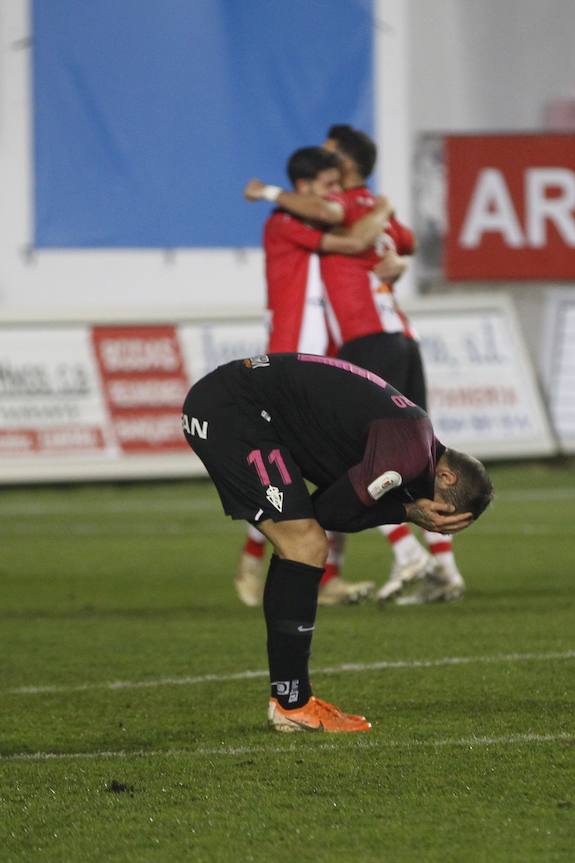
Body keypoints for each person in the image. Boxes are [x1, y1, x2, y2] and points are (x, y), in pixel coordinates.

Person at [181, 352, 494, 732]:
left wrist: (401, 509)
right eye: (441, 514)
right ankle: (292, 705)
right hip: (232, 410)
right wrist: (407, 513)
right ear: (446, 478)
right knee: (305, 543)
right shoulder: (408, 452)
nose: (433, 519)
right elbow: (330, 513)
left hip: (242, 405)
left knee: (302, 543)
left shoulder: (416, 439)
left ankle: (290, 700)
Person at [317, 123, 466, 606]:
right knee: (418, 459)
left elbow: (351, 228)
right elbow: (405, 242)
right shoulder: (369, 209)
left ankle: (407, 553)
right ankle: (445, 567)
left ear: (346, 164)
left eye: (328, 154)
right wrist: (395, 255)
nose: (319, 161)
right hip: (403, 338)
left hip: (368, 340)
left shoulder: (341, 207)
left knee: (354, 458)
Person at [236, 146, 377, 607]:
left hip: (330, 361)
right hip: (290, 363)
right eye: (327, 184)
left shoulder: (324, 218)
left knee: (342, 469)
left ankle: (328, 576)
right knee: (292, 473)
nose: (335, 193)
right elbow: (352, 240)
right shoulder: (283, 222)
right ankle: (253, 556)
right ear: (303, 187)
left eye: (339, 183)